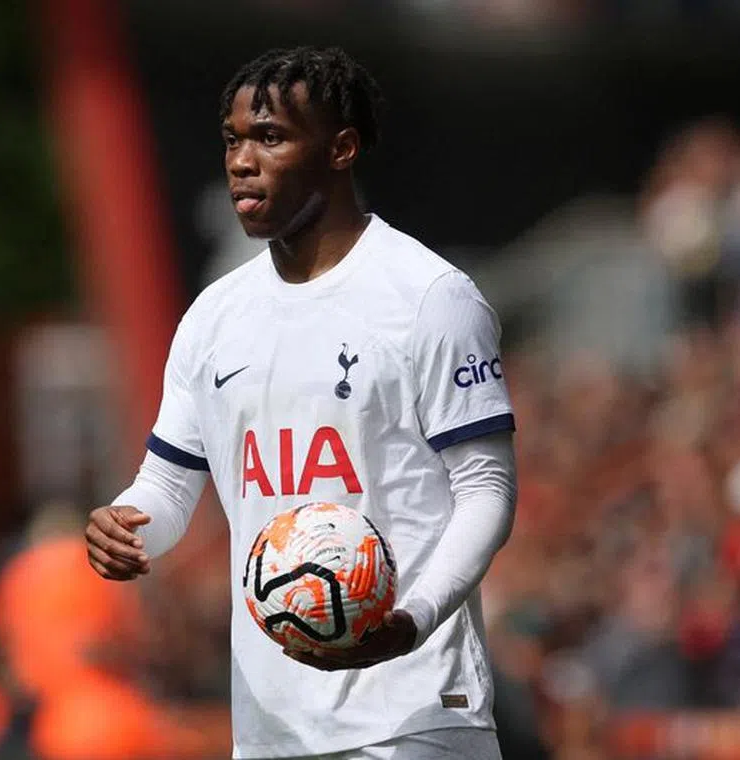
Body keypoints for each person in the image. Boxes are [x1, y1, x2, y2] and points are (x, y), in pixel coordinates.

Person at [86, 46, 519, 760]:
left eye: (271, 137)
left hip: (412, 715)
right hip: (271, 726)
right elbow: (167, 487)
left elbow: (487, 490)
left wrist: (411, 620)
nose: (241, 161)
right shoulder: (213, 318)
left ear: (342, 147)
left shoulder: (429, 298)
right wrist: (129, 527)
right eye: (232, 140)